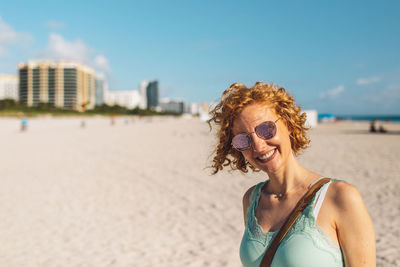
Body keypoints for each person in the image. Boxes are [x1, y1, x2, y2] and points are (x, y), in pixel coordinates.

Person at [208, 82, 376, 267]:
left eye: (265, 129)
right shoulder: (251, 200)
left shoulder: (340, 196)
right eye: (243, 139)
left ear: (288, 124)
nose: (257, 145)